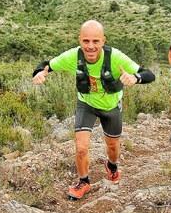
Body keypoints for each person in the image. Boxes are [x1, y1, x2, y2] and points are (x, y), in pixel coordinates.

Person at [32, 20, 155, 200]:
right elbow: (46, 65)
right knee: (81, 147)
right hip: (86, 105)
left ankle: (112, 166)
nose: (90, 46)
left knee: (113, 147)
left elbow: (148, 74)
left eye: (95, 41)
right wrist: (39, 73)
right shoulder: (73, 56)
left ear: (103, 41)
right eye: (86, 41)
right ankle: (84, 182)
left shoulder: (115, 57)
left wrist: (136, 78)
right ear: (80, 40)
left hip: (111, 106)